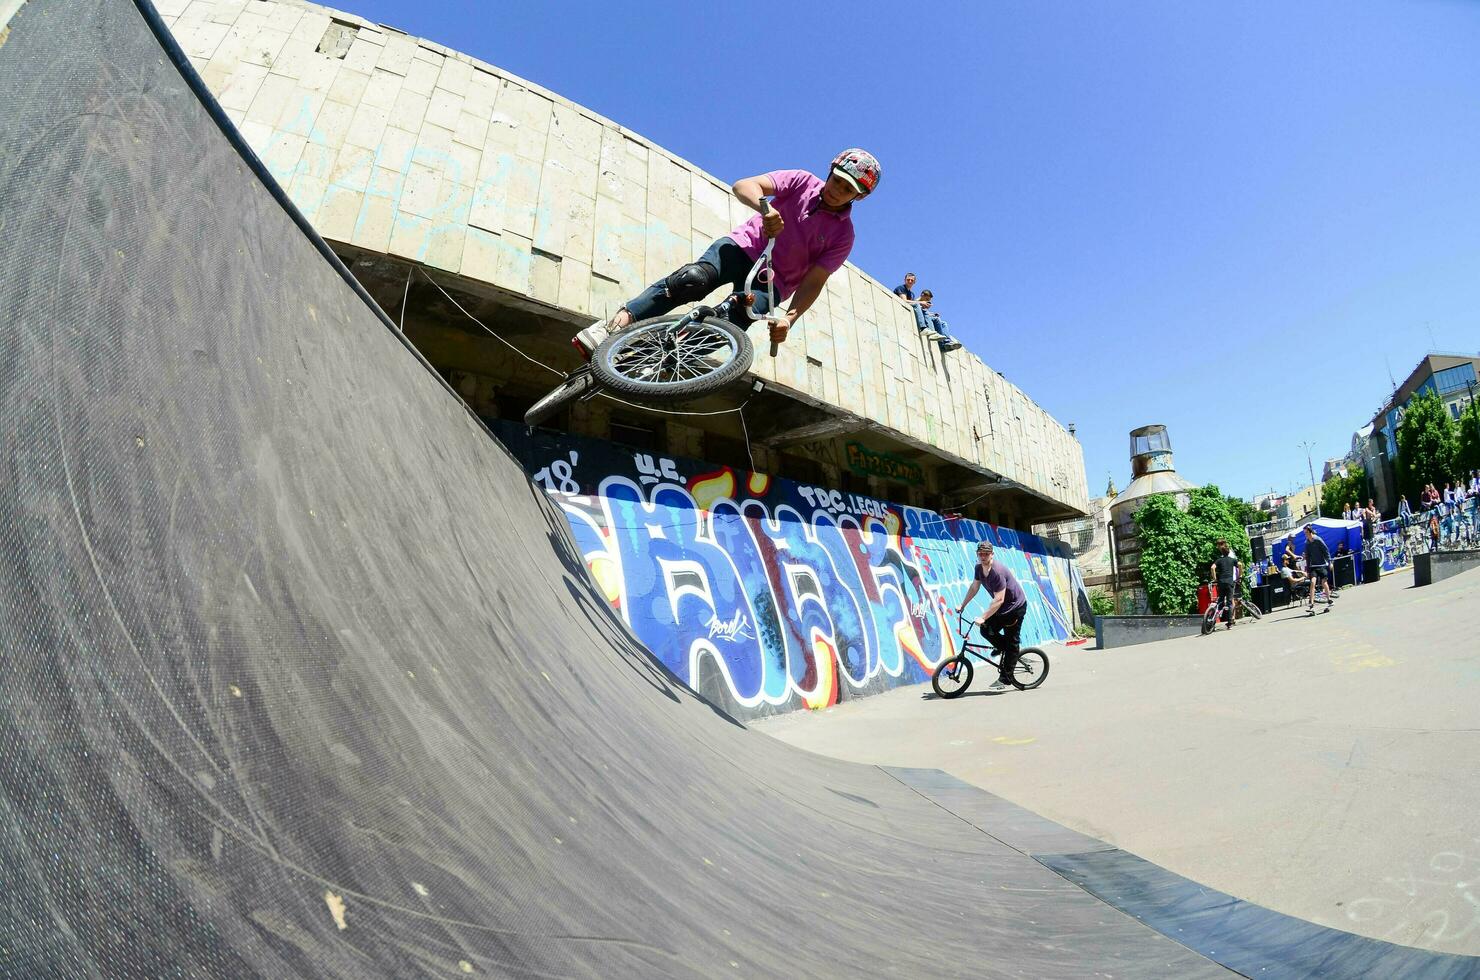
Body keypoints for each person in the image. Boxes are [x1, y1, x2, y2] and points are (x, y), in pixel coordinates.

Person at [572, 149, 882, 358]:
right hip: (742, 248)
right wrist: (766, 209)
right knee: (692, 279)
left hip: (771, 284)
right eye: (837, 181)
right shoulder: (801, 181)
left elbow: (814, 282)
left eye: (848, 189)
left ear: (860, 196)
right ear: (830, 172)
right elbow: (744, 185)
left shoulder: (844, 236)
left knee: (733, 322)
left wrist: (790, 318)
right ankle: (617, 324)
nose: (837, 190)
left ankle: (663, 359)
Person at [957, 540, 1028, 692]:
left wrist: (983, 616)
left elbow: (999, 599)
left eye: (986, 554)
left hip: (1015, 608)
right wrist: (963, 605)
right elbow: (974, 587)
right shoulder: (978, 568)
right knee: (986, 629)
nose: (983, 556)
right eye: (980, 554)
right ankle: (1004, 648)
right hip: (1002, 608)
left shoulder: (997, 571)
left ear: (992, 554)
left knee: (1011, 641)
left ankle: (1006, 677)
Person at [1208, 539, 1240, 629]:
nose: (1217, 547)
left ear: (1222, 545)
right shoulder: (1230, 557)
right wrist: (1240, 575)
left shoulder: (1220, 558)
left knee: (1221, 601)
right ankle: (1231, 621)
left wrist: (1214, 578)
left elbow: (1213, 567)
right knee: (1230, 601)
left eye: (1218, 545)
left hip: (1222, 581)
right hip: (1230, 580)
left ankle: (1213, 620)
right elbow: (1239, 564)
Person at [1303, 524, 1333, 611]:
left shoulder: (1318, 539)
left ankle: (1329, 599)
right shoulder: (1307, 543)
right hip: (1313, 566)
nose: (1305, 535)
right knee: (1312, 582)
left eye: (1306, 533)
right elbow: (1308, 556)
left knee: (1324, 582)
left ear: (1309, 532)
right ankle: (1311, 603)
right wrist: (1308, 570)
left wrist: (1330, 562)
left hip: (1322, 565)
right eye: (1304, 533)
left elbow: (1326, 550)